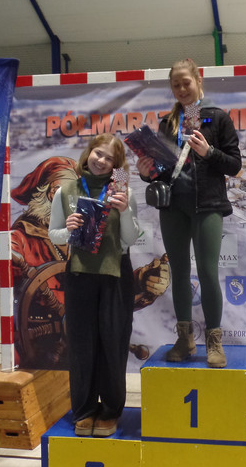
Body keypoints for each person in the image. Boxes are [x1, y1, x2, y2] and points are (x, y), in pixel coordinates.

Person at [10, 156, 169, 369]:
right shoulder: (19, 239)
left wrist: (142, 281)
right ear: (51, 194)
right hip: (40, 353)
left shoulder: (90, 225)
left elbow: (102, 275)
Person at [137, 58, 242, 368]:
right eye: (176, 85)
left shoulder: (218, 118)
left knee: (208, 273)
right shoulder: (167, 124)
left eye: (186, 83)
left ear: (199, 81)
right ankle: (185, 340)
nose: (182, 89)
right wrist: (145, 172)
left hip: (207, 205)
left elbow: (234, 165)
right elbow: (160, 170)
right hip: (173, 207)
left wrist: (209, 152)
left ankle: (214, 342)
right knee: (179, 274)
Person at [48, 134, 141, 437]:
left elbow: (130, 239)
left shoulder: (123, 192)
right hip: (79, 275)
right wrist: (68, 231)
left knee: (113, 346)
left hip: (116, 277)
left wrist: (124, 211)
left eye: (109, 158)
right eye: (98, 153)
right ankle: (85, 410)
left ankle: (111, 411)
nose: (101, 161)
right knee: (81, 347)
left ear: (117, 165)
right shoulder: (66, 191)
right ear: (88, 153)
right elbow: (54, 234)